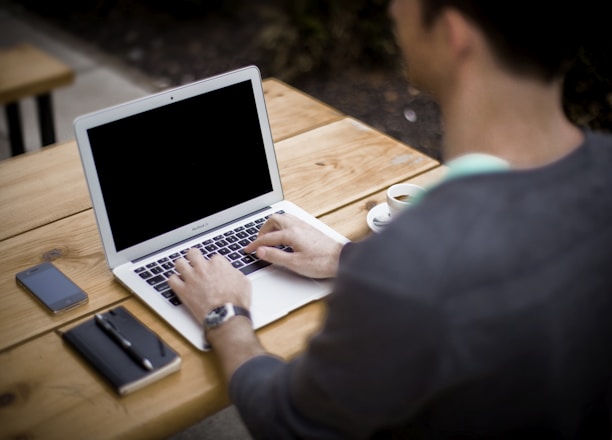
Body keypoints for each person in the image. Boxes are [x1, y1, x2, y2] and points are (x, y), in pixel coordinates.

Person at [168, 0, 612, 438]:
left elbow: (287, 422)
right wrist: (347, 257)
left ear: (453, 33)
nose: (392, 11)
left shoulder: (412, 262)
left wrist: (225, 314)